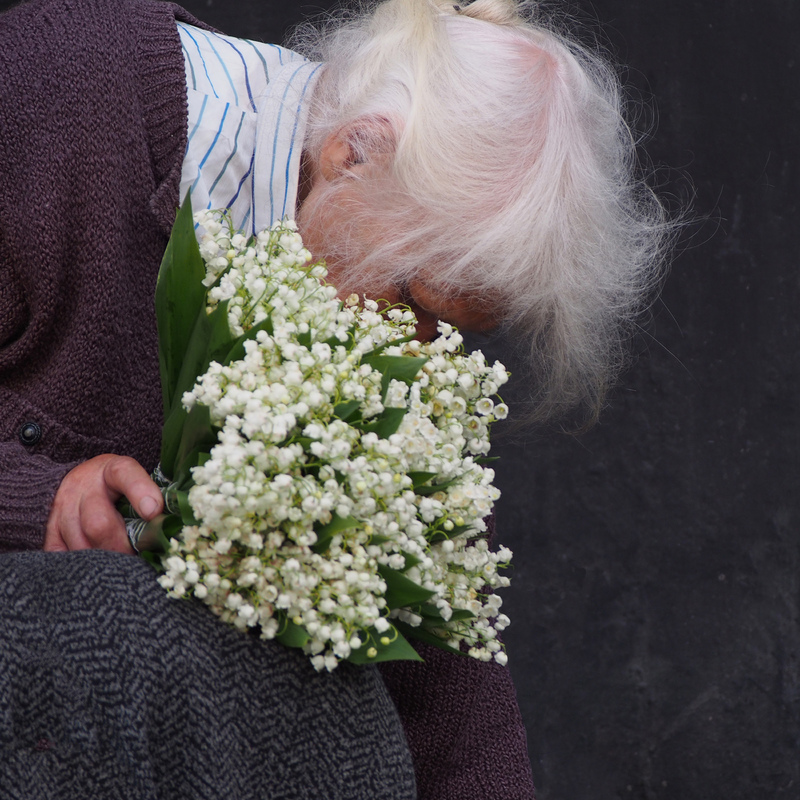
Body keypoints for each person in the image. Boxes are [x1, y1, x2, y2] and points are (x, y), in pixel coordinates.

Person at [0, 0, 668, 797]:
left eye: (462, 335)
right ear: (354, 150)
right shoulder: (56, 91)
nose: (420, 356)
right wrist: (38, 498)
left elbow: (457, 715)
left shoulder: (389, 329)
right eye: (415, 302)